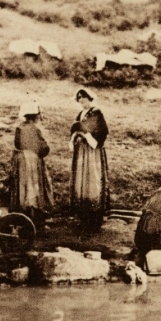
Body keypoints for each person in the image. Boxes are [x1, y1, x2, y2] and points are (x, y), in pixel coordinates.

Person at [9, 100, 54, 231]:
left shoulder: (20, 128)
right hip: (32, 162)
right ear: (35, 116)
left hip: (20, 161)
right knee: (34, 188)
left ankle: (21, 216)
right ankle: (35, 220)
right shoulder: (35, 129)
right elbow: (43, 148)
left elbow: (17, 144)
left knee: (23, 188)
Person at [69, 88, 109, 231]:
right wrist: (74, 135)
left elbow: (102, 131)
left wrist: (86, 133)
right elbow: (75, 129)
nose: (81, 101)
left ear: (89, 98)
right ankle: (83, 217)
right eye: (79, 99)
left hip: (92, 151)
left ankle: (94, 218)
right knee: (82, 181)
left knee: (92, 181)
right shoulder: (81, 113)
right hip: (81, 151)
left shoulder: (96, 113)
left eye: (83, 98)